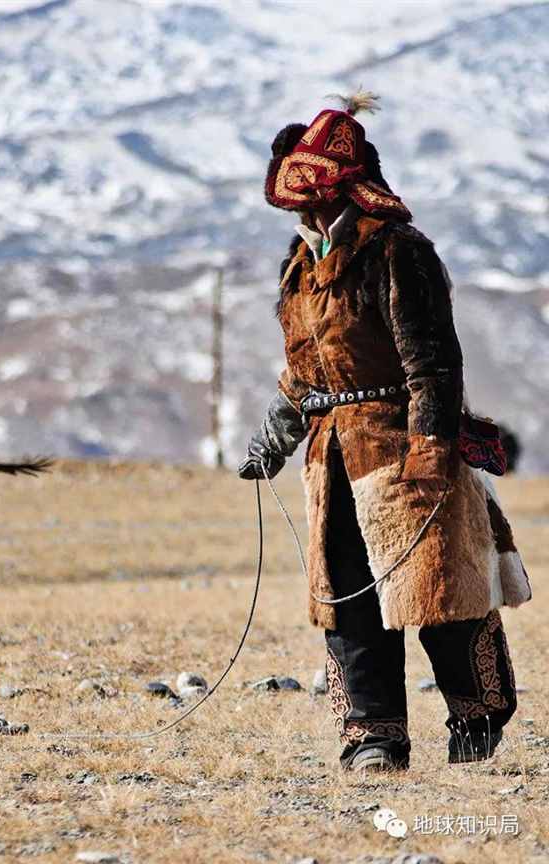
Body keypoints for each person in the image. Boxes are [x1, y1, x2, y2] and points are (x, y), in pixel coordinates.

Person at [239, 92, 532, 772]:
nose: (305, 213)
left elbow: (434, 363)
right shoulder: (300, 264)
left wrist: (431, 455)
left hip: (403, 449)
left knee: (440, 594)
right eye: (297, 205)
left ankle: (476, 720)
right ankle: (373, 736)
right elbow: (302, 372)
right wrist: (273, 442)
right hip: (334, 458)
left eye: (313, 201)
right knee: (349, 602)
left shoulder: (398, 251)